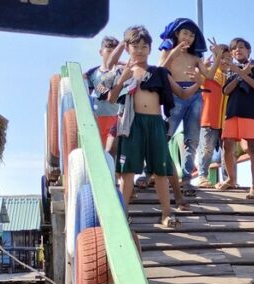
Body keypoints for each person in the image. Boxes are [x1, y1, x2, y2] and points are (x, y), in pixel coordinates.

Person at [103, 25, 204, 228]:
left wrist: (199, 83)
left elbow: (183, 94)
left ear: (150, 49)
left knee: (160, 171)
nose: (139, 50)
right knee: (127, 172)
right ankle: (123, 215)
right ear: (128, 48)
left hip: (156, 124)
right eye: (135, 46)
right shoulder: (124, 71)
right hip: (132, 124)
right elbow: (111, 98)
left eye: (144, 46)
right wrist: (122, 81)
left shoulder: (159, 72)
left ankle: (166, 214)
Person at [158, 18, 220, 192]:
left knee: (192, 139)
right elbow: (160, 68)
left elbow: (208, 75)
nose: (189, 37)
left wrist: (218, 56)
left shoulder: (196, 56)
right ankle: (153, 173)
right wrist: (173, 53)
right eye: (185, 33)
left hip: (195, 96)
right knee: (165, 135)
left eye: (192, 35)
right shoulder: (168, 49)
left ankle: (186, 178)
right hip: (175, 95)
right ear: (177, 33)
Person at [220, 37, 254, 198]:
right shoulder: (230, 69)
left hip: (249, 112)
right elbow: (226, 90)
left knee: (252, 148)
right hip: (232, 111)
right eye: (234, 49)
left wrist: (242, 72)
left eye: (241, 47)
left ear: (249, 50)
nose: (237, 50)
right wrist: (240, 73)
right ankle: (231, 179)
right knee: (227, 146)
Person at [197, 43, 231, 188]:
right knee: (207, 149)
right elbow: (198, 79)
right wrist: (202, 67)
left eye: (228, 58)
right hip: (209, 119)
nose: (224, 61)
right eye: (221, 57)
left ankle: (227, 178)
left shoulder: (232, 77)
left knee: (228, 151)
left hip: (226, 121)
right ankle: (202, 176)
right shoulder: (209, 74)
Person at [85, 36, 122, 147]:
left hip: (117, 117)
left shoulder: (121, 70)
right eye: (109, 51)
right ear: (101, 52)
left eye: (115, 52)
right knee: (100, 149)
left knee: (114, 152)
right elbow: (85, 92)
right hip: (99, 117)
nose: (111, 54)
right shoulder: (93, 73)